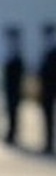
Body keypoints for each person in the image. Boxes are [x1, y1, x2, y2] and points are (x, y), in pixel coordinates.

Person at [2, 26, 25, 145]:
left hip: (15, 92)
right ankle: (11, 133)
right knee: (10, 114)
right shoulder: (10, 56)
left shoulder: (17, 58)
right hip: (10, 91)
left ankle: (13, 134)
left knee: (14, 114)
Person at [40, 23, 56, 155]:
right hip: (47, 93)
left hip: (52, 90)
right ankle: (48, 143)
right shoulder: (45, 53)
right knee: (47, 120)